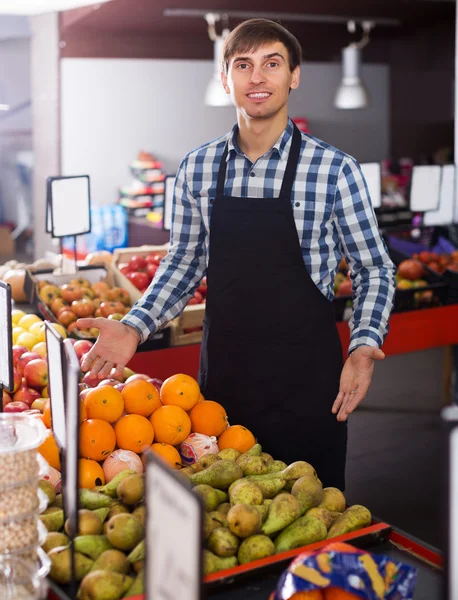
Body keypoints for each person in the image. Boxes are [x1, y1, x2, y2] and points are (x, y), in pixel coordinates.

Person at [78, 18, 396, 490]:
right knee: (226, 518)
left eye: (272, 64)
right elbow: (184, 262)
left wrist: (364, 346)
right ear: (226, 79)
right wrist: (134, 326)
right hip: (224, 385)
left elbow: (374, 269)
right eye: (243, 66)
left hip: (309, 386)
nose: (258, 78)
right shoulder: (198, 167)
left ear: (295, 75)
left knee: (311, 512)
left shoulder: (334, 170)